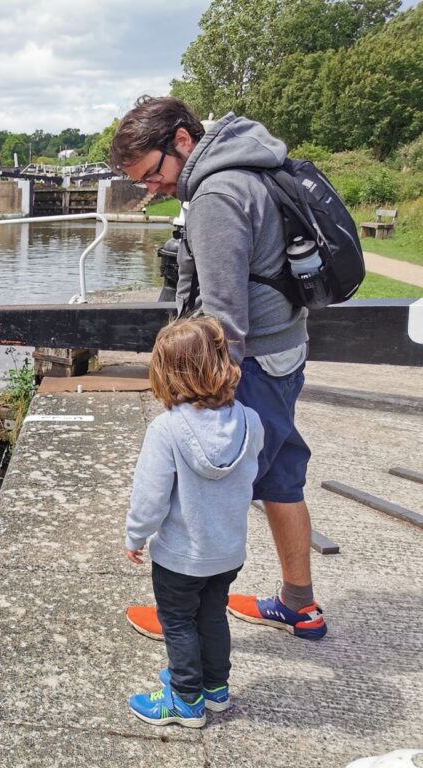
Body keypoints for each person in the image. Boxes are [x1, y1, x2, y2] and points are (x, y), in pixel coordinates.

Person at [110, 96, 328, 642]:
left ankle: (182, 610)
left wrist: (196, 401)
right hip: (285, 349)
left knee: (200, 486)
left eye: (152, 176)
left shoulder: (217, 195)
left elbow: (225, 319)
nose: (151, 190)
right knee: (281, 473)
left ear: (183, 140)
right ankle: (299, 604)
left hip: (249, 362)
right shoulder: (253, 162)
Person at [126, 316, 264, 727]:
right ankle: (215, 689)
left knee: (179, 621)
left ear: (168, 374)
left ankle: (186, 698)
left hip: (182, 556)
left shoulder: (167, 429)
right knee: (212, 614)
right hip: (227, 550)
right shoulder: (249, 421)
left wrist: (136, 534)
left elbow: (149, 497)